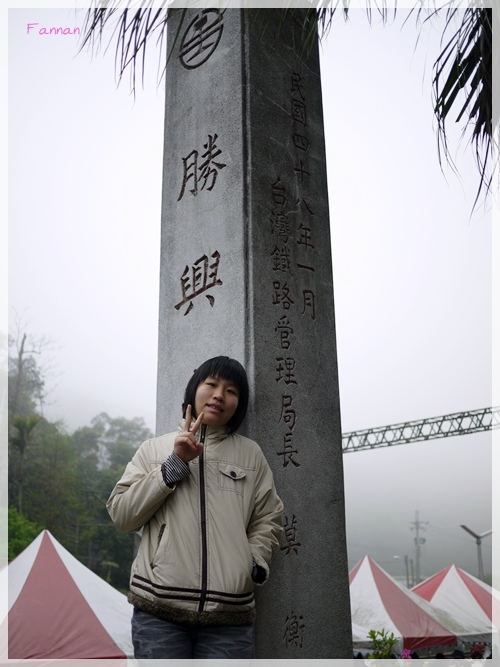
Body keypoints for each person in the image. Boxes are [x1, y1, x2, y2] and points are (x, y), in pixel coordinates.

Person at [107, 356, 284, 659]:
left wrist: (251, 564)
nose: (219, 395)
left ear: (238, 404)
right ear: (194, 390)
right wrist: (173, 464)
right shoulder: (153, 449)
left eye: (231, 391)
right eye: (212, 384)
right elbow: (122, 514)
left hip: (229, 618)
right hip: (158, 613)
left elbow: (268, 517)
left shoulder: (250, 454)